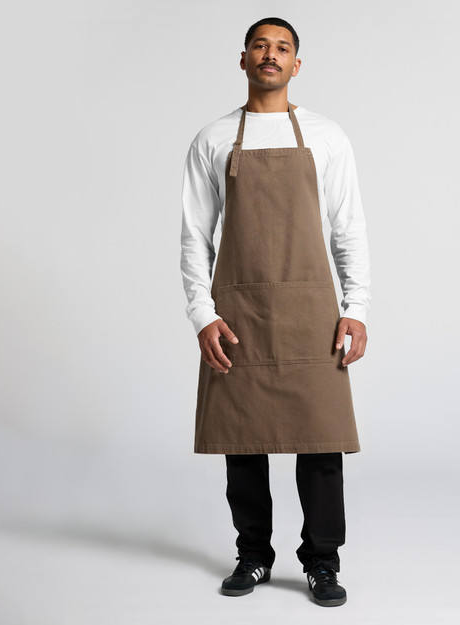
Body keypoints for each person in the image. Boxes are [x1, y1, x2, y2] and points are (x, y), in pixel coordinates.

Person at [180, 17, 371, 607]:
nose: (271, 54)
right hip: (239, 310)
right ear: (243, 59)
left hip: (312, 312)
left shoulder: (326, 136)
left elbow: (348, 227)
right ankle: (253, 556)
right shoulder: (213, 139)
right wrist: (202, 314)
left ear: (296, 64)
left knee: (321, 442)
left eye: (282, 47)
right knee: (243, 441)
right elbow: (194, 236)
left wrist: (357, 306)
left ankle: (322, 562)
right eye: (260, 46)